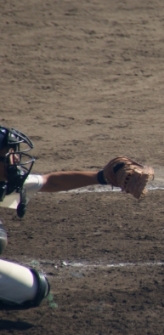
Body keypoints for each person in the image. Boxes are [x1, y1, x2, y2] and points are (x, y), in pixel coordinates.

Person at [0, 124, 152, 310]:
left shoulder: (3, 183)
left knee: (33, 288)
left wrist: (102, 177)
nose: (15, 160)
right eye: (9, 154)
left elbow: (50, 182)